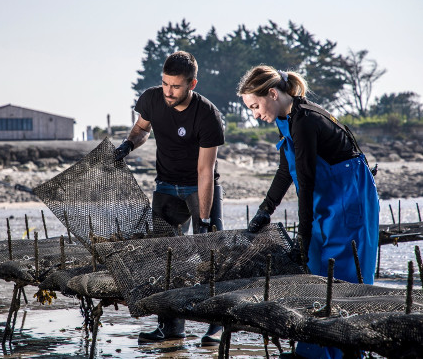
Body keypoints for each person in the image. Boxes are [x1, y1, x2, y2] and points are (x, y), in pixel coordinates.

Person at [238, 65, 379, 359]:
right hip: (326, 198)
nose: (254, 114)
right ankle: (314, 352)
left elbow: (306, 183)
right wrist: (266, 209)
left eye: (254, 105)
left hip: (350, 197)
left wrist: (302, 236)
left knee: (343, 277)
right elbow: (284, 169)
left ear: (272, 94)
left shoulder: (305, 120)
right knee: (315, 268)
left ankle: (346, 351)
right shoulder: (285, 118)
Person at [115, 51, 225, 346]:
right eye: (165, 84)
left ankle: (217, 325)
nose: (169, 92)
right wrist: (127, 146)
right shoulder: (152, 99)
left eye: (175, 86)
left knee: (210, 256)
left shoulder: (207, 114)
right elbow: (141, 129)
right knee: (165, 258)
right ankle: (171, 327)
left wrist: (203, 218)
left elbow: (205, 171)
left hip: (199, 187)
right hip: (165, 186)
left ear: (192, 83)